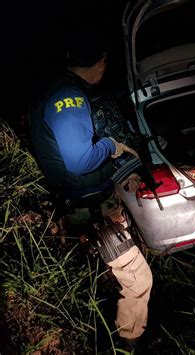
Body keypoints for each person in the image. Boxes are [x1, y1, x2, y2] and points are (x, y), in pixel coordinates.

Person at [29, 26, 153, 348]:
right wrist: (111, 145)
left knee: (103, 268)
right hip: (88, 206)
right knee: (139, 279)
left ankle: (101, 322)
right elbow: (82, 160)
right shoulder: (68, 97)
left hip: (84, 202)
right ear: (101, 61)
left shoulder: (59, 89)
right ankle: (129, 342)